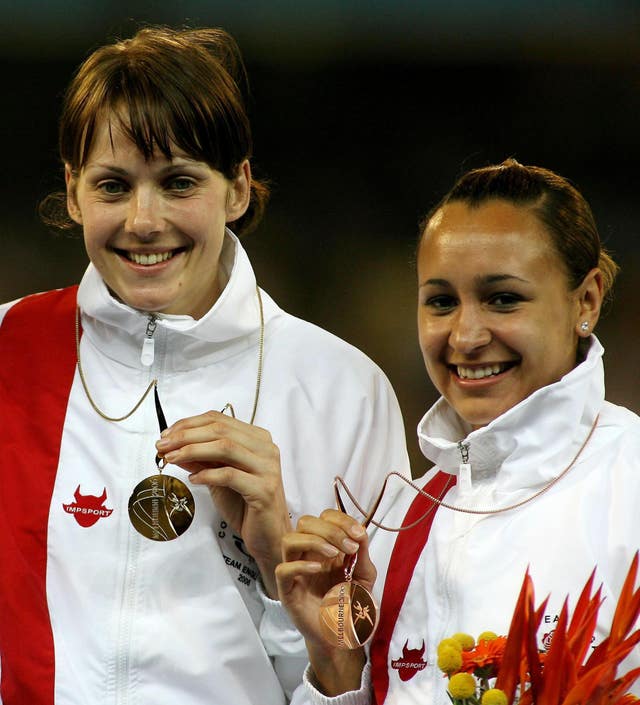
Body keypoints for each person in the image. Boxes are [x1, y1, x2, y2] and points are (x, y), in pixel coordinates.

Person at [0, 26, 410, 705]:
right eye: (112, 185)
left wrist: (280, 562)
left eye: (179, 181)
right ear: (73, 193)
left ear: (239, 188)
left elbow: (371, 678)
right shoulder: (10, 348)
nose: (143, 219)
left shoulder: (343, 389)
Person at [276, 159, 640, 704]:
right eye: (442, 302)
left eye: (503, 298)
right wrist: (337, 665)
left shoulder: (628, 481)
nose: (466, 336)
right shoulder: (396, 516)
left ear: (585, 301)